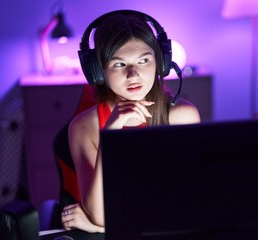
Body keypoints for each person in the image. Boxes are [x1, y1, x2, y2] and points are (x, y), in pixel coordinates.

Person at [60, 11, 201, 233]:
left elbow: (186, 206)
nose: (133, 74)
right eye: (119, 64)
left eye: (144, 60)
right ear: (98, 72)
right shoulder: (83, 128)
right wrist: (111, 133)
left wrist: (100, 229)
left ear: (160, 63)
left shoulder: (183, 116)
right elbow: (100, 215)